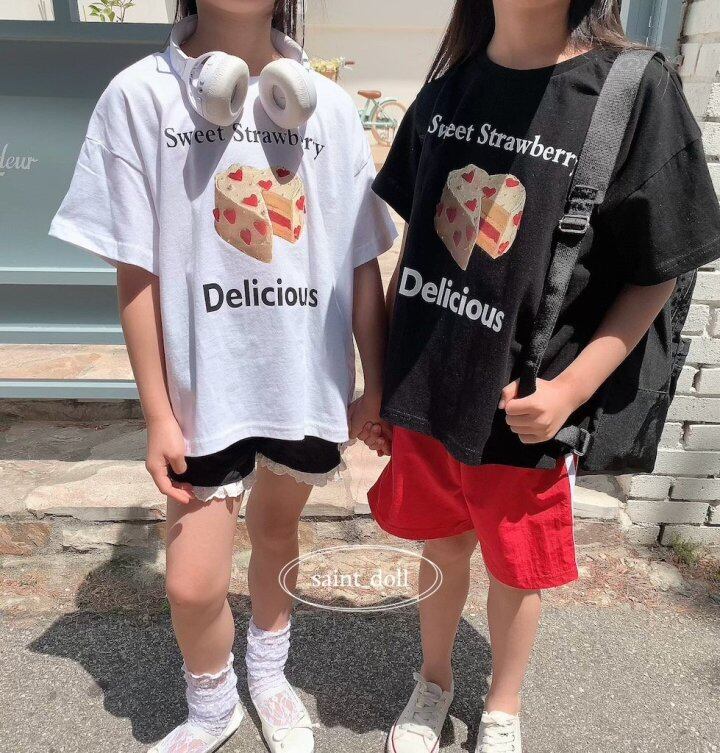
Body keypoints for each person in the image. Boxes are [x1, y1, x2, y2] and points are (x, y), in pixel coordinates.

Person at [364, 1, 720, 751]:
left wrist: (570, 391)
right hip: (429, 390)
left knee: (515, 568)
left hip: (525, 407)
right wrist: (382, 382)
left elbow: (658, 270)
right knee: (442, 546)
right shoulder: (447, 88)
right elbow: (419, 244)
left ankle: (503, 705)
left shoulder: (630, 90)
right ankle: (433, 682)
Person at [49, 1, 396, 752]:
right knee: (191, 583)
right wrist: (157, 413)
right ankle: (212, 705)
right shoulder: (140, 96)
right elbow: (135, 271)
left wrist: (376, 383)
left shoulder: (330, 109)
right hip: (202, 393)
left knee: (276, 530)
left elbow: (362, 259)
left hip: (305, 380)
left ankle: (268, 675)